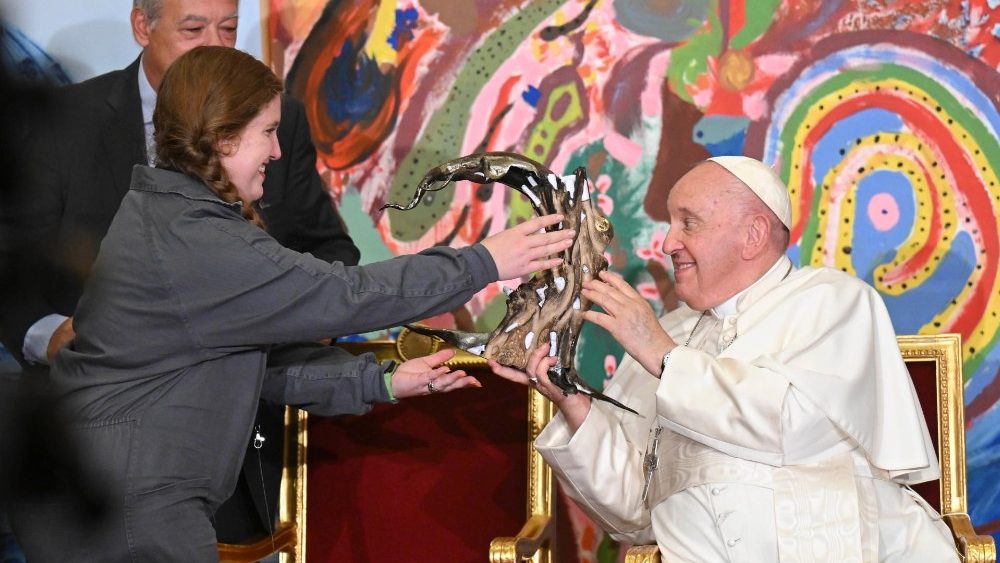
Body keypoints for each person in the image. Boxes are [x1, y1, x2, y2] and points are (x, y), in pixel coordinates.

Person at [7, 45, 576, 562]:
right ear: (224, 138)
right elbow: (343, 295)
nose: (278, 152)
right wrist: (483, 262)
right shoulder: (193, 238)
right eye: (268, 132)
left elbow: (258, 367)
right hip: (130, 501)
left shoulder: (175, 218)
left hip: (122, 492)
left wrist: (381, 383)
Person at [0, 0, 361, 544]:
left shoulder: (276, 123)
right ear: (142, 27)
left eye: (229, 28)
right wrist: (53, 336)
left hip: (232, 443)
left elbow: (331, 251)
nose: (215, 44)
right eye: (193, 28)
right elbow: (13, 266)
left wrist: (293, 314)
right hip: (94, 451)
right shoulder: (65, 121)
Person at [491, 156, 959, 561]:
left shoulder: (831, 301)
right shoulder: (670, 332)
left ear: (753, 234)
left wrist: (662, 355)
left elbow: (789, 423)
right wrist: (576, 408)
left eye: (688, 222)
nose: (668, 243)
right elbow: (633, 512)